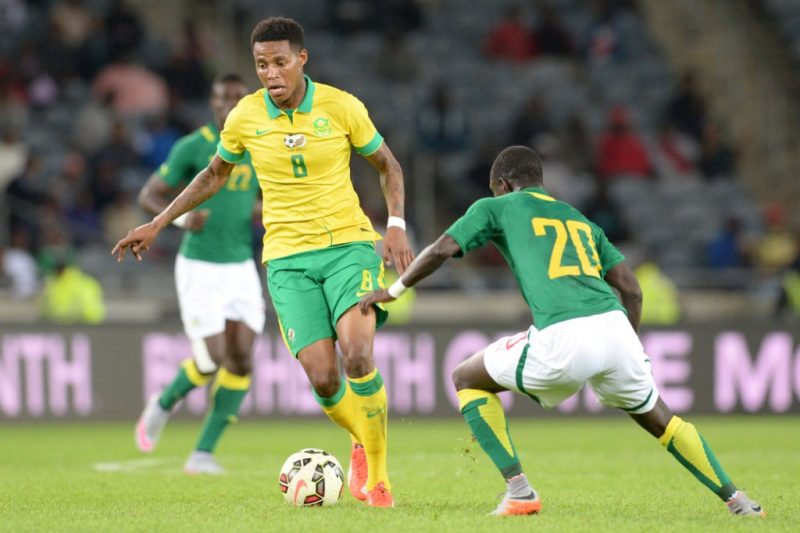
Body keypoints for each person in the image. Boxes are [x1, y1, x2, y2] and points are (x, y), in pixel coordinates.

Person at [359, 146, 765, 518]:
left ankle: (519, 491)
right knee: (662, 420)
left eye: (496, 190)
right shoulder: (579, 219)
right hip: (616, 329)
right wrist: (629, 347)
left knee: (466, 377)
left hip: (564, 334)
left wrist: (393, 290)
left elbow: (442, 249)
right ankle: (738, 501)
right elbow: (632, 289)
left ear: (503, 185)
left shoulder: (496, 207)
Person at [112, 17, 413, 507]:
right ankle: (361, 437)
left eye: (279, 62)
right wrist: (160, 221)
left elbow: (388, 165)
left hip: (348, 247)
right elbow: (213, 175)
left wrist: (395, 223)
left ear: (301, 59)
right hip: (287, 260)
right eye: (261, 65)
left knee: (357, 354)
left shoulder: (342, 106)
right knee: (323, 379)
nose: (270, 73)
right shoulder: (246, 116)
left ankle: (377, 478)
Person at [132, 73, 265, 475]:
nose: (230, 104)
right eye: (224, 97)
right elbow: (148, 195)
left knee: (241, 361)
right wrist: (181, 219)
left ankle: (202, 453)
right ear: (213, 102)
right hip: (200, 266)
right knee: (212, 359)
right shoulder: (193, 146)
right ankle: (163, 403)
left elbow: (252, 198)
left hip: (240, 265)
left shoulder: (258, 145)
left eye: (238, 97)